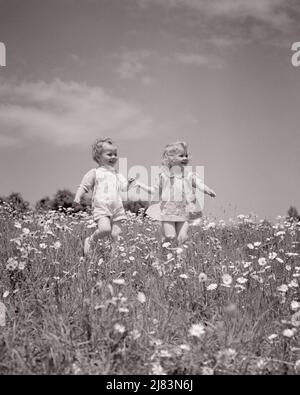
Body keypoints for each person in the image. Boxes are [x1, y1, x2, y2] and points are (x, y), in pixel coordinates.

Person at [134, 141, 216, 246]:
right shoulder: (163, 176)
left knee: (182, 238)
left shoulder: (189, 175)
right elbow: (155, 191)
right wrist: (141, 185)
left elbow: (199, 184)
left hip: (184, 211)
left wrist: (207, 190)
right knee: (170, 237)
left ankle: (179, 260)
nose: (185, 158)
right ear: (171, 158)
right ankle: (164, 252)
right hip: (168, 212)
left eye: (186, 155)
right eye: (181, 156)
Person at [74, 138, 135, 255]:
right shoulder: (95, 172)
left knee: (116, 235)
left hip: (117, 208)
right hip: (101, 207)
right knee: (105, 229)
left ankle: (114, 259)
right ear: (98, 157)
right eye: (109, 154)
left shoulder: (117, 174)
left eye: (115, 154)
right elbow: (84, 185)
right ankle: (91, 240)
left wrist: (129, 183)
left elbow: (124, 187)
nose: (113, 157)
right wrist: (78, 196)